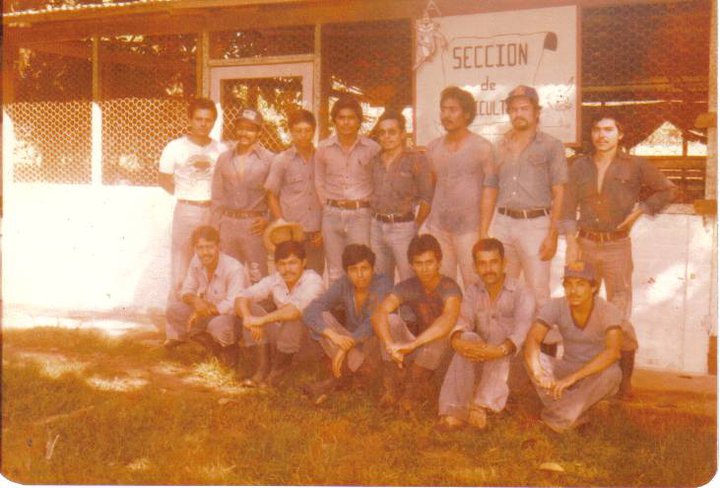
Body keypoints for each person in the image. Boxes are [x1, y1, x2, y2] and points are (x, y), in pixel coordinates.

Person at [561, 112, 676, 398]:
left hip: (617, 247)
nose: (602, 135)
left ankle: (623, 381)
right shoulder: (579, 166)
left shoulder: (635, 165)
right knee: (580, 307)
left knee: (618, 313)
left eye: (608, 129)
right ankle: (582, 374)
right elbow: (567, 207)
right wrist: (571, 243)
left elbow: (668, 190)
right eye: (597, 130)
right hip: (585, 243)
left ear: (620, 134)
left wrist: (640, 211)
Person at [437, 238, 535, 430]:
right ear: (475, 267)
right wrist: (457, 340)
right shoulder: (473, 291)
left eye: (493, 262)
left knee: (500, 336)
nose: (488, 269)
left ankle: (483, 406)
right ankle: (454, 412)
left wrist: (499, 350)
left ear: (504, 263)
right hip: (483, 357)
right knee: (466, 338)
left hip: (513, 363)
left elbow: (521, 331)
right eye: (482, 263)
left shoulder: (522, 292)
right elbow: (463, 320)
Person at [523, 261, 623, 433]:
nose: (573, 291)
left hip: (595, 375)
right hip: (568, 369)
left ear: (593, 287)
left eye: (580, 284)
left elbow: (613, 352)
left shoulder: (608, 310)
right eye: (568, 284)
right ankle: (575, 415)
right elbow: (533, 338)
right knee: (532, 358)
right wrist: (538, 372)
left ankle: (555, 417)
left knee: (612, 373)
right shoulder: (556, 305)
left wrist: (572, 379)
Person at [492, 85, 567, 313]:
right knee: (504, 289)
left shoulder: (552, 145)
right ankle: (510, 335)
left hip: (535, 225)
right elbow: (491, 187)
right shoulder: (500, 146)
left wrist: (552, 235)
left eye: (524, 108)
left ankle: (543, 336)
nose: (519, 113)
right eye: (513, 109)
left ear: (537, 112)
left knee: (538, 292)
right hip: (503, 223)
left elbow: (560, 192)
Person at [372, 234, 462, 412]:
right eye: (419, 263)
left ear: (439, 262)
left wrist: (412, 345)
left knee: (439, 333)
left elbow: (447, 320)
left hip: (445, 354)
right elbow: (379, 313)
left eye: (429, 262)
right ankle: (392, 389)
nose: (425, 269)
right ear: (412, 265)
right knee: (390, 320)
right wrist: (390, 345)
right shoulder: (408, 286)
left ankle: (411, 394)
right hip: (417, 349)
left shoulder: (449, 287)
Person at [424, 86, 497, 288]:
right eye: (443, 109)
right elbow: (430, 188)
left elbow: (490, 189)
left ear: (467, 114)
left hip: (469, 230)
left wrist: (483, 231)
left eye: (453, 110)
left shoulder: (482, 147)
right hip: (439, 228)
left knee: (476, 285)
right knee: (444, 286)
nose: (446, 115)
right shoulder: (433, 148)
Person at [302, 244, 393, 402]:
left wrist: (344, 348)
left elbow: (372, 323)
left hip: (373, 345)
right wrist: (333, 335)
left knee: (383, 324)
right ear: (347, 272)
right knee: (322, 317)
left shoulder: (383, 283)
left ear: (373, 268)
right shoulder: (343, 284)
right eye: (353, 270)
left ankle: (339, 379)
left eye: (364, 268)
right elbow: (310, 310)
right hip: (351, 344)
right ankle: (351, 377)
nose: (360, 275)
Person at [159, 98, 226, 300]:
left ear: (213, 122)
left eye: (208, 120)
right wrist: (188, 196)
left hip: (213, 210)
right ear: (189, 119)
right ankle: (176, 316)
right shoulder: (175, 147)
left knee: (212, 261)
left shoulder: (221, 150)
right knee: (182, 262)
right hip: (187, 209)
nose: (203, 124)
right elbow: (164, 180)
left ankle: (206, 314)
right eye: (198, 119)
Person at [235, 240, 324, 387]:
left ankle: (277, 374)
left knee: (293, 317)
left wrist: (261, 320)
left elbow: (295, 311)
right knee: (250, 308)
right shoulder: (275, 279)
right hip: (285, 341)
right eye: (282, 264)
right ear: (276, 266)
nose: (287, 269)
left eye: (292, 263)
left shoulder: (313, 280)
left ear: (304, 262)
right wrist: (247, 318)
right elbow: (241, 296)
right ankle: (263, 369)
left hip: (310, 344)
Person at [315, 95, 380, 283]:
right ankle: (338, 302)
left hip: (360, 215)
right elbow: (319, 181)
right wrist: (328, 206)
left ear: (359, 121)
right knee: (335, 270)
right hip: (331, 214)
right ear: (334, 120)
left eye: (351, 118)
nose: (346, 122)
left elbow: (378, 181)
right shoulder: (323, 148)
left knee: (360, 265)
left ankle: (360, 302)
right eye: (341, 117)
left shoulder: (372, 148)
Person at [164, 225, 249, 368]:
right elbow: (187, 290)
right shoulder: (196, 260)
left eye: (209, 247)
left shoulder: (234, 268)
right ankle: (210, 346)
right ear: (195, 248)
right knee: (174, 311)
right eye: (200, 248)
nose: (205, 253)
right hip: (205, 311)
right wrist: (195, 300)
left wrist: (202, 311)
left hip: (230, 316)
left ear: (219, 246)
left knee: (220, 327)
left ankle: (230, 349)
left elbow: (232, 304)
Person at [370, 110, 434, 281]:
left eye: (392, 132)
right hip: (376, 227)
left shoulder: (416, 159)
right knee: (381, 281)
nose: (386, 137)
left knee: (409, 280)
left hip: (403, 227)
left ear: (402, 134)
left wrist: (414, 225)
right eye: (382, 133)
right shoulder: (374, 160)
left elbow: (427, 198)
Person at [211, 108, 274, 283]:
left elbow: (276, 195)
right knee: (228, 275)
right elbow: (217, 196)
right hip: (228, 224)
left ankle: (262, 301)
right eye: (241, 128)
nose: (244, 133)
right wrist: (215, 227)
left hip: (253, 225)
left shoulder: (269, 159)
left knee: (258, 275)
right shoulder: (224, 158)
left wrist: (268, 219)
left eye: (250, 129)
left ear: (259, 132)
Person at [265, 109, 325, 275]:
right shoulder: (281, 160)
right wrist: (282, 226)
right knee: (289, 277)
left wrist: (324, 229)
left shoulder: (323, 158)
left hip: (316, 235)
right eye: (298, 131)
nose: (303, 135)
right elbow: (271, 195)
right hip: (291, 234)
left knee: (314, 279)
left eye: (307, 130)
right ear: (290, 132)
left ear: (314, 131)